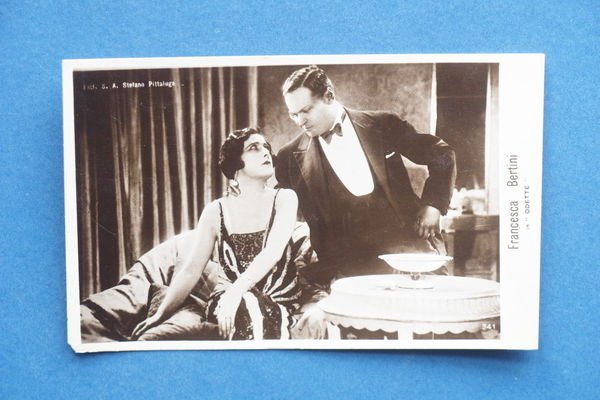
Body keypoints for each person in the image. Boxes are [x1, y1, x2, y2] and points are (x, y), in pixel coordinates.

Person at [275, 65, 456, 338]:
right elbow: (278, 209)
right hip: (348, 265)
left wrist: (433, 205)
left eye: (306, 110)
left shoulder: (382, 124)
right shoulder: (289, 156)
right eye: (293, 114)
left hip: (407, 249)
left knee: (435, 325)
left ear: (329, 95)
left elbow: (441, 153)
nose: (300, 121)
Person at [132, 127, 301, 340]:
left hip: (277, 296)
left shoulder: (285, 198)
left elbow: (273, 252)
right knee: (244, 307)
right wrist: (159, 315)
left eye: (265, 146)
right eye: (254, 148)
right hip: (228, 300)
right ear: (235, 163)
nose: (266, 151)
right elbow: (191, 270)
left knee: (250, 307)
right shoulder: (215, 211)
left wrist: (236, 292)